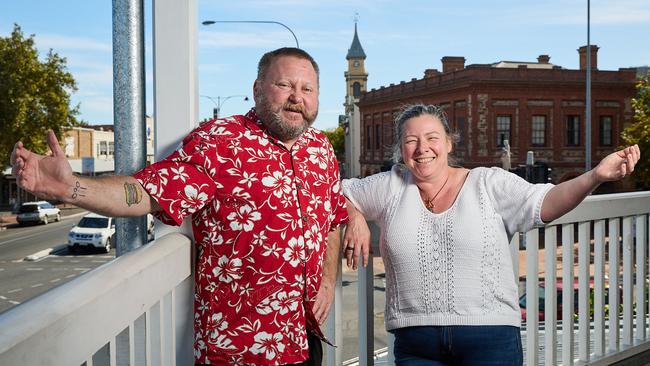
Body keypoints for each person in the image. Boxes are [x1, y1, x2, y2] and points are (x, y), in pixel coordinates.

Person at [11, 47, 348, 366]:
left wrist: (328, 282)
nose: (297, 97)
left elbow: (333, 218)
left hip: (304, 338)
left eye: (308, 88)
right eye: (284, 84)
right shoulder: (219, 142)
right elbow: (146, 191)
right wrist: (72, 187)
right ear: (258, 89)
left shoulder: (321, 150)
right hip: (239, 348)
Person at [341, 104, 640, 365]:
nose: (422, 148)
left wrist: (596, 176)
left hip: (489, 339)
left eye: (432, 138)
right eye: (411, 140)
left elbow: (546, 203)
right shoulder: (392, 184)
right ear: (401, 149)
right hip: (416, 343)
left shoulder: (487, 183)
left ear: (448, 143)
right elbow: (333, 193)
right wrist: (354, 216)